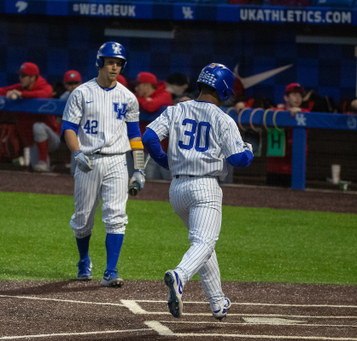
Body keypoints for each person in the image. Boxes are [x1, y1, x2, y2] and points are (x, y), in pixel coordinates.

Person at [142, 63, 254, 320]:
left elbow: (148, 137)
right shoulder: (223, 119)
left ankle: (217, 303)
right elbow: (238, 160)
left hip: (177, 189)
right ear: (224, 90)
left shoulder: (177, 108)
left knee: (203, 246)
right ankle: (180, 276)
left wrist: (164, 160)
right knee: (204, 243)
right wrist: (249, 150)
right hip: (205, 187)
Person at [61, 41, 145, 287]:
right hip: (88, 160)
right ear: (100, 63)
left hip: (118, 161)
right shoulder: (81, 93)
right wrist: (76, 153)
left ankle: (111, 270)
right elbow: (68, 128)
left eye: (119, 63)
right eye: (110, 62)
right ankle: (84, 260)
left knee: (116, 216)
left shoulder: (128, 98)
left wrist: (139, 168)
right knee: (83, 219)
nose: (115, 67)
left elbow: (135, 136)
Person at [0, 62, 59, 172]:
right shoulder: (20, 88)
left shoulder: (45, 87)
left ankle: (43, 162)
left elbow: (44, 94)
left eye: (23, 75)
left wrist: (21, 94)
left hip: (52, 138)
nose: (20, 78)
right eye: (20, 75)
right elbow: (4, 90)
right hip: (34, 141)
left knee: (38, 127)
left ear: (32, 77)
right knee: (41, 172)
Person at [266, 83, 310, 187]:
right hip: (275, 167)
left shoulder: (305, 112)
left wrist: (298, 114)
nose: (298, 98)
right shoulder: (276, 112)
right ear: (286, 97)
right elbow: (262, 114)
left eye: (300, 95)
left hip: (295, 168)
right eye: (294, 94)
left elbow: (305, 114)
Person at [134, 71, 174, 180]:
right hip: (142, 151)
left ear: (147, 85)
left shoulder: (165, 94)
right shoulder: (136, 96)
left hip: (164, 151)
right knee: (145, 183)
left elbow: (151, 107)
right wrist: (144, 100)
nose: (136, 88)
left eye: (138, 84)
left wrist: (144, 102)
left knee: (168, 183)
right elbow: (128, 101)